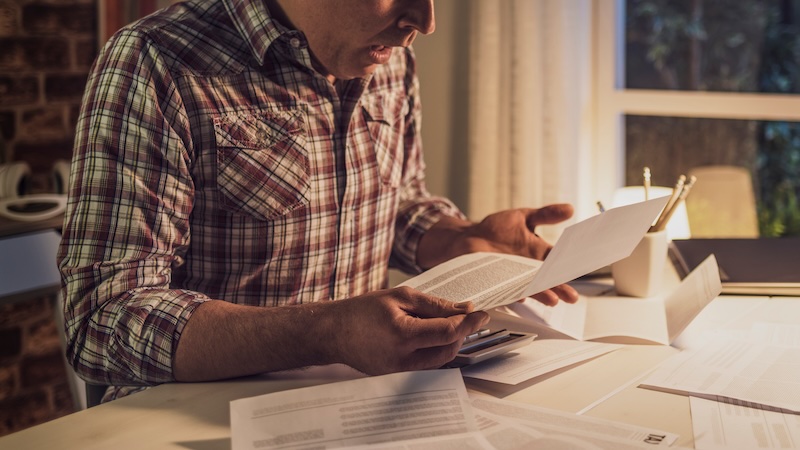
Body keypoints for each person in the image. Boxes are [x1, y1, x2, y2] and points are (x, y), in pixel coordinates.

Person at [57, 0, 578, 400]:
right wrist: (328, 332)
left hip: (364, 405)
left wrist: (459, 238)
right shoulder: (156, 62)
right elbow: (102, 318)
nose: (424, 19)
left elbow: (394, 203)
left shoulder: (388, 58)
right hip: (197, 421)